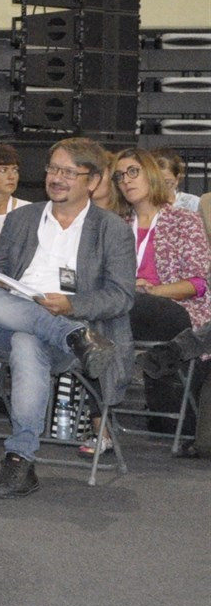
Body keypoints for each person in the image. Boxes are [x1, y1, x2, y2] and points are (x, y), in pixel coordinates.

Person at [0, 138, 135, 499]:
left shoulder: (112, 229)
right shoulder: (21, 218)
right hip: (19, 319)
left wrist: (72, 306)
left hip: (74, 331)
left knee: (28, 343)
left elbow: (120, 296)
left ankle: (20, 458)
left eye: (69, 172)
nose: (57, 178)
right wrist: (9, 287)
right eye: (53, 169)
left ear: (93, 181)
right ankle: (69, 334)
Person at [104, 147, 211, 450]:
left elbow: (198, 283)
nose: (125, 180)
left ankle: (100, 410)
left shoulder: (183, 221)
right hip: (124, 312)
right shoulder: (115, 224)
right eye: (120, 175)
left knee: (113, 307)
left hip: (178, 310)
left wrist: (149, 290)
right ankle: (99, 414)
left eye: (133, 171)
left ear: (151, 173)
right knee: (107, 312)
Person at [152, 147, 201, 214]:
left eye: (166, 183)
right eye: (155, 182)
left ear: (177, 178)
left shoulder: (194, 203)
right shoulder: (142, 205)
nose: (161, 188)